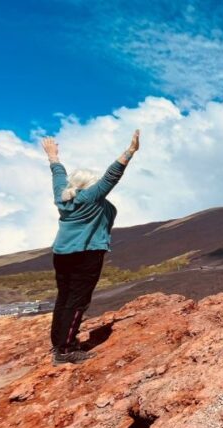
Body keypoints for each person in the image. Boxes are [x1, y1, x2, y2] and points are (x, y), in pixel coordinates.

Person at [41, 130, 140, 366]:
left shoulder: (63, 197)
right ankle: (66, 350)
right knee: (78, 301)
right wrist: (130, 152)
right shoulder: (90, 198)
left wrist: (53, 156)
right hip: (86, 255)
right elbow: (111, 176)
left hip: (62, 254)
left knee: (64, 297)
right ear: (88, 186)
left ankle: (59, 343)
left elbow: (58, 175)